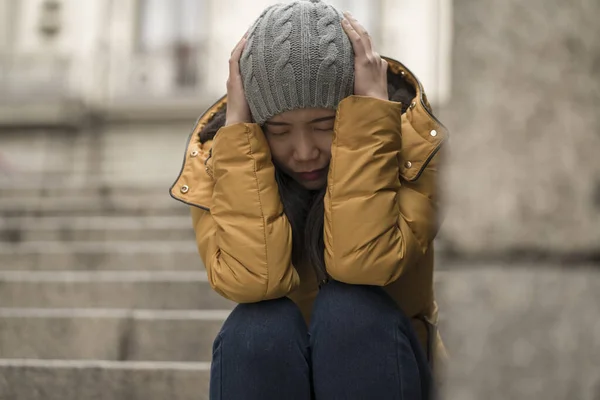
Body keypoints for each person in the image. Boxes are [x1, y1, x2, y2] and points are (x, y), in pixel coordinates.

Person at [170, 0, 448, 398]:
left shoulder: (411, 151)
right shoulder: (222, 164)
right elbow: (253, 280)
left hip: (389, 369)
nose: (303, 151)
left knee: (349, 310)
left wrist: (370, 120)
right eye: (279, 131)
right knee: (254, 328)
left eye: (324, 125)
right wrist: (238, 135)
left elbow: (363, 261)